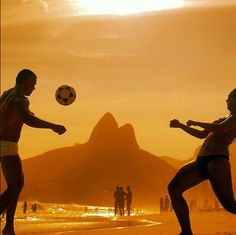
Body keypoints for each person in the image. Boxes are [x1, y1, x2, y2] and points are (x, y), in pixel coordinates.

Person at [0, 69, 66, 235]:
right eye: (33, 83)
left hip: (3, 143)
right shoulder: (20, 100)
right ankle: (8, 228)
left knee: (15, 185)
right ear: (26, 82)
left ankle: (9, 228)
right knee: (17, 185)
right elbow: (27, 119)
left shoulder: (7, 94)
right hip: (7, 145)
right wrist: (53, 126)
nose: (34, 87)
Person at [168, 88, 236, 235]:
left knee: (230, 205)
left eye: (229, 97)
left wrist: (197, 122)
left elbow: (220, 129)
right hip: (201, 161)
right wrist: (181, 126)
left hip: (218, 161)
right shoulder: (224, 117)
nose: (226, 100)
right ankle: (186, 231)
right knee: (174, 189)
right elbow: (200, 135)